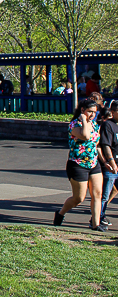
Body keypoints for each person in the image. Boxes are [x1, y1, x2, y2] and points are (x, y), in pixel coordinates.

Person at [53, 98, 106, 231]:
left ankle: (96, 224)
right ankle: (60, 213)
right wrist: (83, 120)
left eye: (95, 112)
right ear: (82, 111)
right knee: (79, 198)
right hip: (77, 164)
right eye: (90, 112)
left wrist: (105, 161)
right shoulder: (74, 125)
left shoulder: (95, 125)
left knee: (97, 194)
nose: (93, 115)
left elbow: (96, 144)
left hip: (93, 163)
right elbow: (86, 136)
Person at [99, 100, 118, 227]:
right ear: (113, 112)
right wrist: (111, 161)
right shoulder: (108, 125)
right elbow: (105, 145)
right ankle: (98, 217)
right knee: (105, 193)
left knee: (113, 190)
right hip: (112, 165)